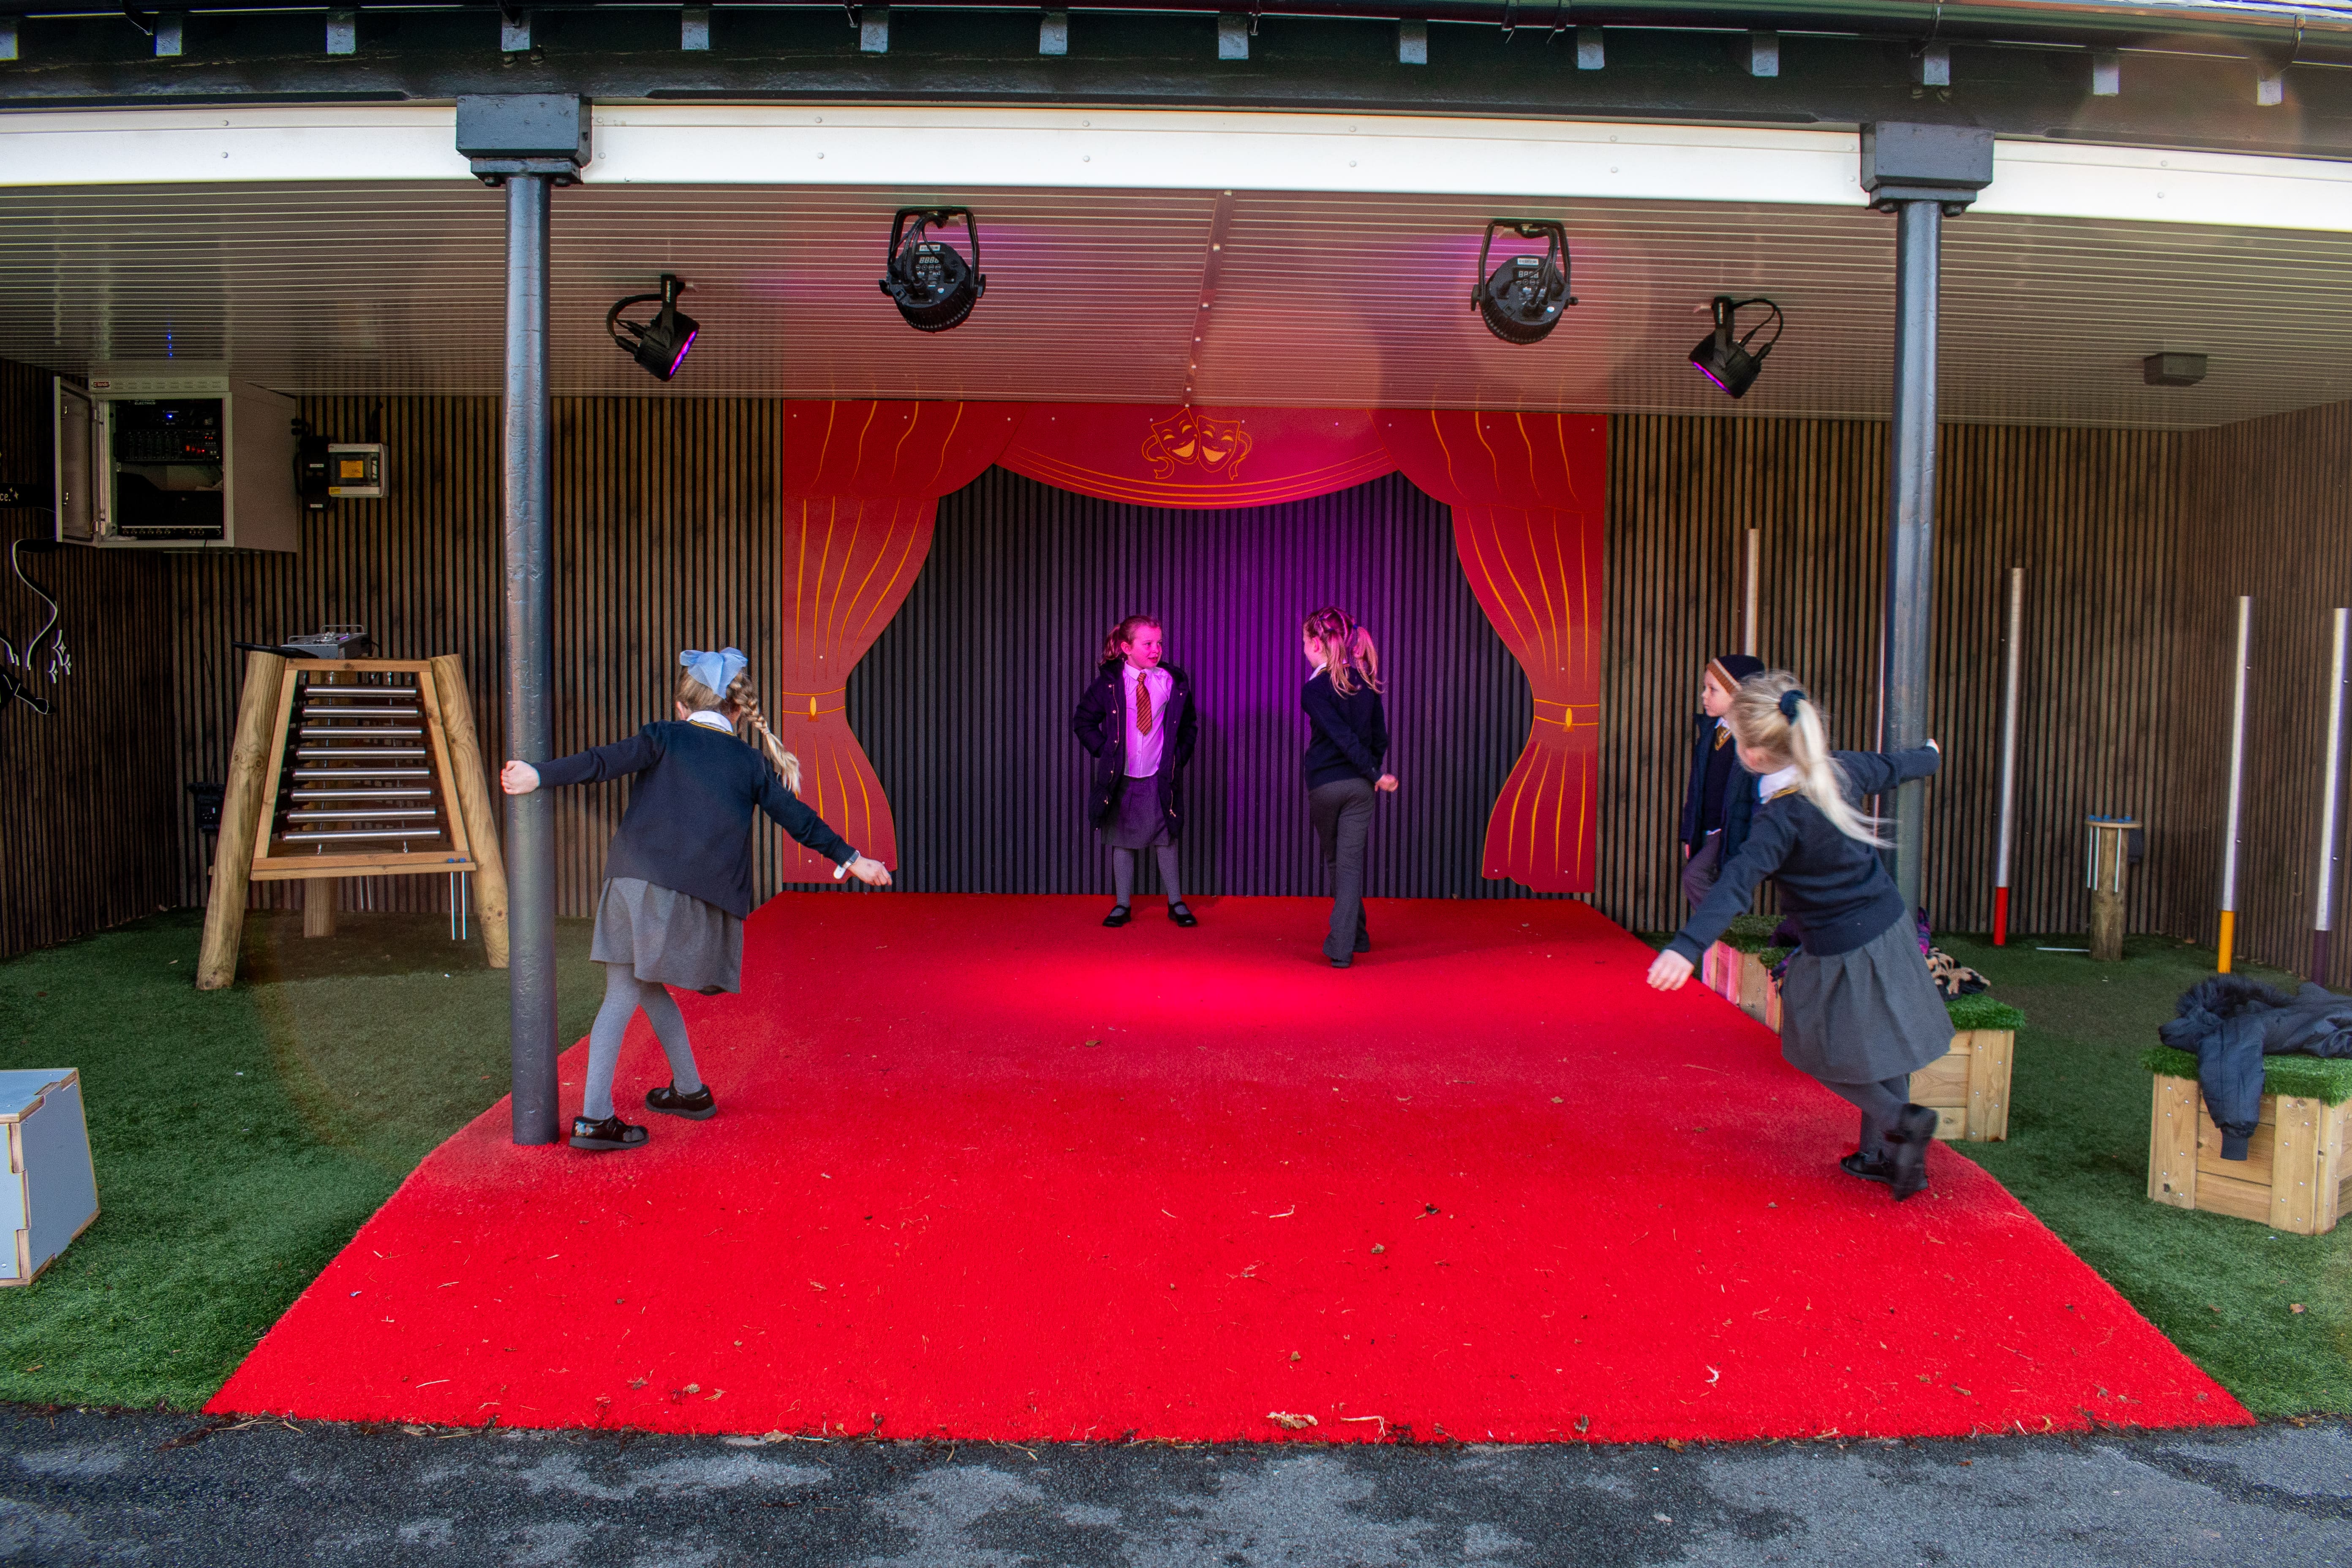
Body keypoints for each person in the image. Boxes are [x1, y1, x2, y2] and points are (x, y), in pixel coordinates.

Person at [501, 647, 891, 1152]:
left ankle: (668, 1097)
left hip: (629, 883)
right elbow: (798, 819)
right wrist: (852, 858)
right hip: (690, 897)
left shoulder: (663, 736)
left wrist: (538, 774)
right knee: (634, 988)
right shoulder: (749, 761)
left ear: (681, 707)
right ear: (736, 712)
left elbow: (602, 763)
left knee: (631, 988)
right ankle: (609, 1114)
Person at [1644, 670, 1948, 1200]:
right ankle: (1893, 1160)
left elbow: (1736, 885)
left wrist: (1687, 946)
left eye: (1737, 739)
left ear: (1754, 755)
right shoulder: (1841, 770)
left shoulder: (1780, 818)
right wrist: (1931, 753)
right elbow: (1895, 767)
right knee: (1884, 1051)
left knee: (1812, 1050)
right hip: (1889, 926)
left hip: (1840, 947)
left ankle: (1900, 1118)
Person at [1071, 615, 1201, 928]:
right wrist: (1107, 754)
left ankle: (1176, 901)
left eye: (1160, 643)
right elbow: (1083, 720)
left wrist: (1177, 758)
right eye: (1148, 644)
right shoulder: (1110, 684)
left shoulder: (1171, 682)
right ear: (1126, 647)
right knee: (1123, 839)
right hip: (1123, 779)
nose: (1156, 650)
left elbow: (1188, 727)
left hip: (1158, 777)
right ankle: (1122, 904)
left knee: (1165, 837)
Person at [1301, 606, 1396, 969]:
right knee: (1350, 866)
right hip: (1359, 786)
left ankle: (1341, 948)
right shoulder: (1366, 683)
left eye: (1304, 642)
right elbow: (1379, 738)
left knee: (1337, 862)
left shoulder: (1314, 690)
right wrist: (1373, 775)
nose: (1303, 649)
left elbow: (1341, 738)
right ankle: (1357, 935)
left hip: (1326, 785)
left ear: (1315, 644)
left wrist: (1372, 774)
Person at [1680, 653, 1765, 909]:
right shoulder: (1712, 731)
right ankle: (1718, 944)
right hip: (1709, 828)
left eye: (1713, 690)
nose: (1704, 696)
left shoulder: (1753, 740)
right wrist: (1689, 833)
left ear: (1739, 696)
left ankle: (1725, 929)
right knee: (1709, 880)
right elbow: (1697, 789)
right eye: (1705, 688)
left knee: (1695, 877)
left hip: (1732, 830)